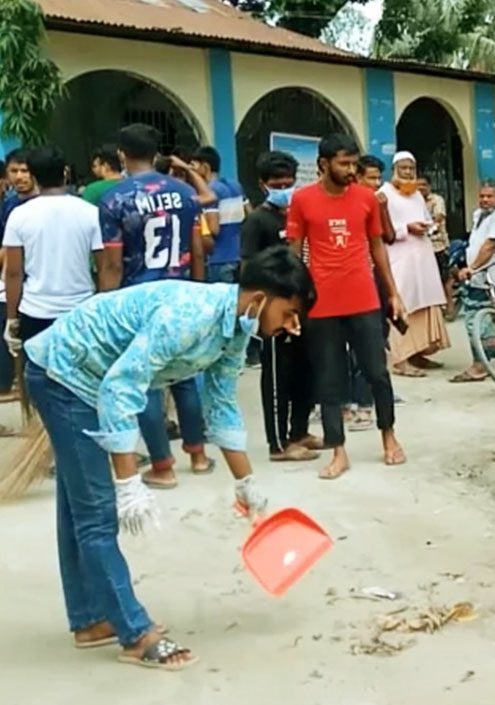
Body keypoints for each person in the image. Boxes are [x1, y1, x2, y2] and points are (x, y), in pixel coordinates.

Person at [23, 247, 312, 671]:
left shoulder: (234, 329)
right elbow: (122, 387)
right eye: (289, 313)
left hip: (92, 379)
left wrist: (246, 484)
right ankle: (136, 634)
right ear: (260, 299)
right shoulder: (189, 317)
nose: (294, 326)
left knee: (78, 505)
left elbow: (222, 402)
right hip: (66, 376)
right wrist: (128, 483)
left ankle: (88, 620)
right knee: (98, 513)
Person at [98, 123, 217, 488]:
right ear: (156, 152)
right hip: (180, 294)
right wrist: (199, 292)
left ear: (121, 154)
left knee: (145, 382)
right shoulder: (182, 193)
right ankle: (197, 455)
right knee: (184, 377)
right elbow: (197, 248)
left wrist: (106, 305)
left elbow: (114, 263)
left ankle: (163, 465)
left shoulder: (114, 200)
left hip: (139, 300)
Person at [286, 133, 406, 478]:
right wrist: (292, 302)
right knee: (329, 379)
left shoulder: (367, 198)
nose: (351, 169)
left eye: (354, 163)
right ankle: (338, 451)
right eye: (344, 163)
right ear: (324, 164)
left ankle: (389, 437)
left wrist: (393, 293)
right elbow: (294, 252)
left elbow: (377, 248)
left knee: (376, 373)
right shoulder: (302, 200)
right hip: (321, 304)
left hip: (364, 298)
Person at [240, 150, 321, 462]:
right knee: (277, 377)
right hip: (273, 311)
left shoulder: (298, 214)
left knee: (305, 371)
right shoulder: (258, 221)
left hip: (301, 306)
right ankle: (277, 444)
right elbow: (247, 268)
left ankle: (299, 430)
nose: (284, 187)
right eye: (278, 183)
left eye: (289, 182)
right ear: (264, 185)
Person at [4, 146, 103, 351]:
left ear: (34, 175)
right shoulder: (91, 213)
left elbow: (13, 273)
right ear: (65, 172)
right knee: (77, 374)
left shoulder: (19, 215)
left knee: (36, 372)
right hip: (80, 308)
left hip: (34, 310)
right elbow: (104, 267)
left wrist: (12, 318)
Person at [379, 152, 450, 377]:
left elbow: (426, 219)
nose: (408, 172)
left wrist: (427, 226)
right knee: (404, 305)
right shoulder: (383, 194)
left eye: (411, 168)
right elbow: (382, 231)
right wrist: (406, 228)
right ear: (394, 169)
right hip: (399, 257)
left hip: (423, 255)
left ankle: (418, 352)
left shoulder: (418, 195)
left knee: (424, 304)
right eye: (403, 168)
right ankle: (400, 360)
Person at [345, 154, 396, 431]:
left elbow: (387, 238)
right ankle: (351, 401)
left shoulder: (374, 204)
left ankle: (367, 402)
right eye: (371, 178)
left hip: (373, 276)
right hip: (349, 279)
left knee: (374, 341)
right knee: (348, 347)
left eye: (379, 178)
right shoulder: (348, 203)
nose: (377, 184)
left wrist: (383, 209)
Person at [451, 180, 495, 383]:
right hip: (477, 274)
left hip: (491, 273)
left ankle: (480, 366)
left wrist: (472, 268)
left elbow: (489, 246)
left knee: (477, 320)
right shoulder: (479, 214)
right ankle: (491, 351)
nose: (485, 200)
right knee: (480, 317)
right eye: (482, 196)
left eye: (490, 196)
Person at [0, 149, 39, 403]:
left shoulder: (45, 201)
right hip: (14, 281)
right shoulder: (9, 205)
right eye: (14, 171)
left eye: (25, 170)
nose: (20, 176)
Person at [190, 145, 248, 284]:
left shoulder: (211, 191)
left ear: (205, 167)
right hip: (238, 257)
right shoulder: (235, 185)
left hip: (219, 259)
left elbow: (214, 228)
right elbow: (249, 214)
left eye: (194, 166)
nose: (191, 171)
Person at [419, 175, 455, 317]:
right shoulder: (413, 201)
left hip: (438, 245)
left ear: (429, 186)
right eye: (418, 185)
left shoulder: (436, 200)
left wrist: (426, 228)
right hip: (421, 247)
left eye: (423, 184)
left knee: (444, 278)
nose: (421, 188)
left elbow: (439, 218)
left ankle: (450, 306)